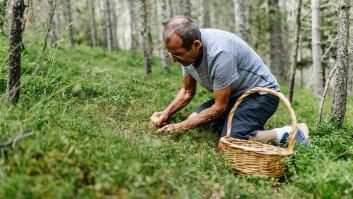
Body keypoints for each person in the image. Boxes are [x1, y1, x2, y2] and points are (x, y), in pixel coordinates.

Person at [150, 16, 310, 146]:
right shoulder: (187, 50)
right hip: (232, 95)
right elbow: (187, 92)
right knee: (195, 120)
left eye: (177, 54)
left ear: (196, 45)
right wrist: (166, 114)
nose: (174, 60)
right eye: (171, 54)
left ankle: (289, 133)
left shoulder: (220, 53)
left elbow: (219, 107)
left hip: (261, 95)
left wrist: (180, 126)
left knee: (228, 143)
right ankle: (242, 126)